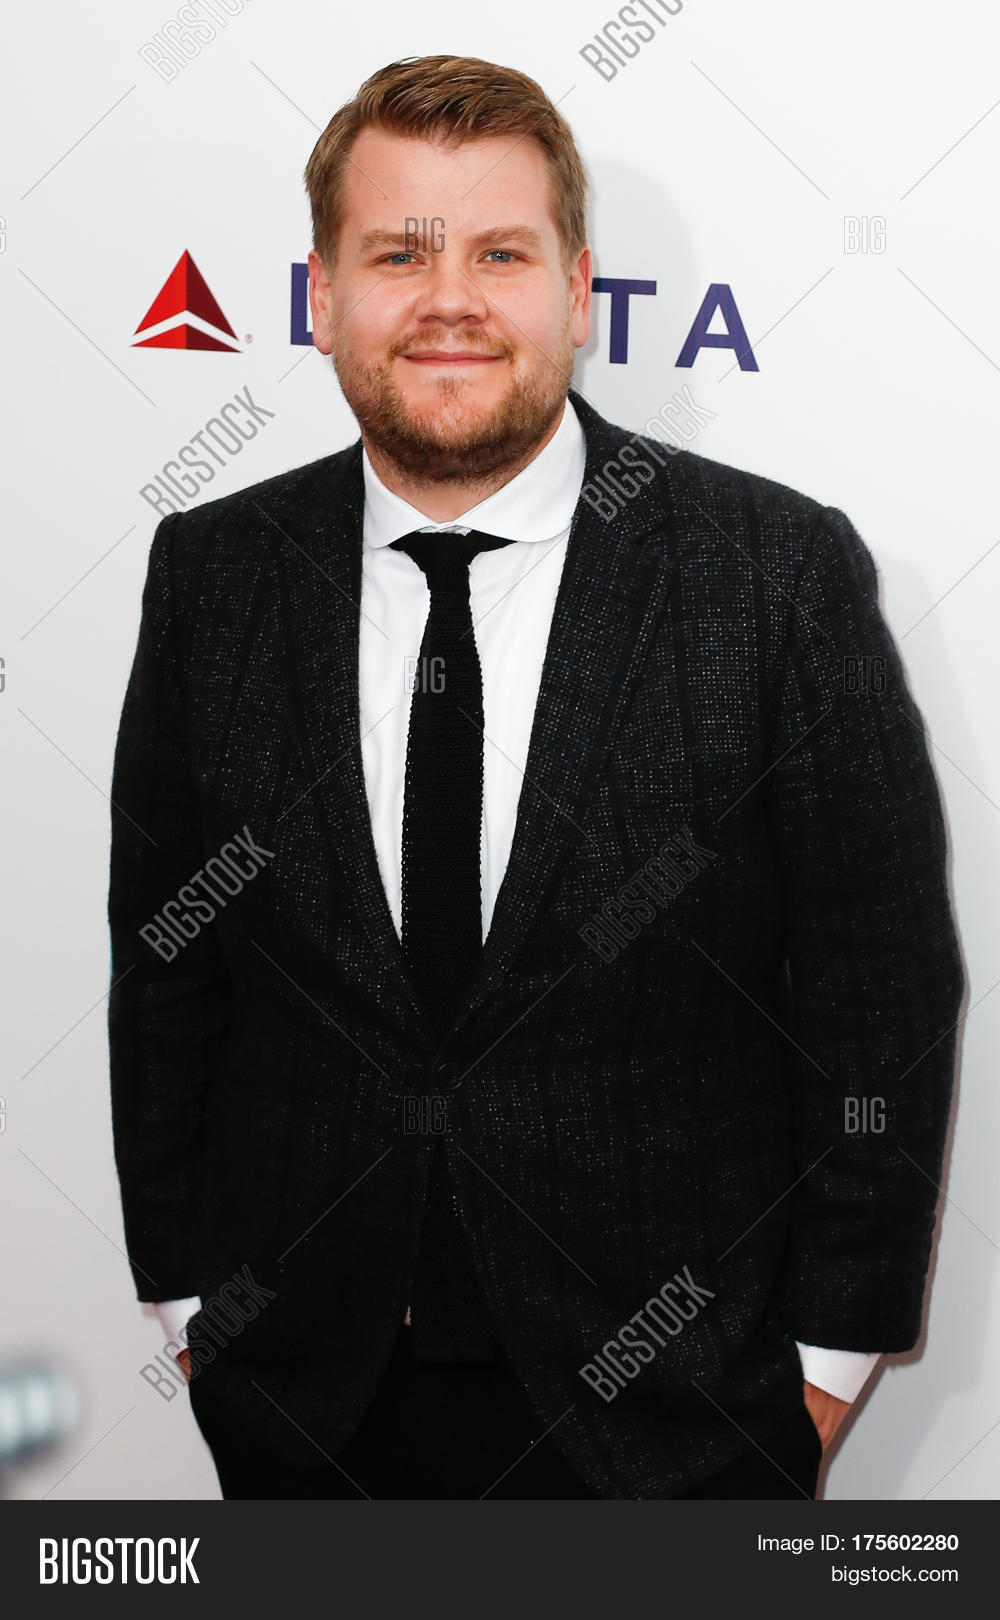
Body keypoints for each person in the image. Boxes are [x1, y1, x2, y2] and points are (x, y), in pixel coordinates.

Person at [108, 55, 964, 1499]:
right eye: (400, 254)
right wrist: (195, 1313)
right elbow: (167, 972)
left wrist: (822, 1371)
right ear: (321, 296)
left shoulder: (772, 573)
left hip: (677, 1423)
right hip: (309, 1415)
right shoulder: (216, 572)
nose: (450, 299)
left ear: (576, 294)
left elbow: (879, 998)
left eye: (500, 254)